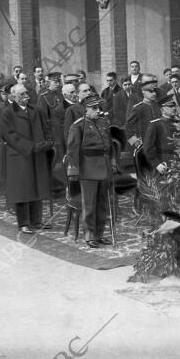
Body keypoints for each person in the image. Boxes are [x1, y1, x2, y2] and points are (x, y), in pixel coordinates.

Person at [0, 85, 53, 234]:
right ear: (14, 96)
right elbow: (9, 136)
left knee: (37, 186)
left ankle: (36, 221)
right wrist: (30, 147)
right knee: (22, 189)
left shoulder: (37, 110)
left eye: (27, 94)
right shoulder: (7, 112)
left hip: (38, 153)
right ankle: (23, 223)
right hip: (20, 155)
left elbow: (46, 128)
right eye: (22, 95)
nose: (26, 97)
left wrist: (48, 141)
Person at [66, 93, 116, 248]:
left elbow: (110, 145)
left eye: (98, 107)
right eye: (93, 108)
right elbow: (72, 150)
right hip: (87, 169)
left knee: (102, 204)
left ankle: (100, 234)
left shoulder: (103, 123)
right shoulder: (78, 126)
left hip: (103, 167)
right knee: (89, 204)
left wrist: (112, 162)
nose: (97, 110)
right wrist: (74, 171)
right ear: (85, 110)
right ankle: (89, 235)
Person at [143, 90, 178, 173]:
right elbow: (148, 148)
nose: (173, 108)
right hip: (164, 163)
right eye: (170, 106)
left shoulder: (179, 123)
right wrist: (157, 164)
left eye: (174, 106)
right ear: (163, 109)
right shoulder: (155, 125)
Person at [125, 78, 159, 145]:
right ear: (143, 92)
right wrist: (135, 142)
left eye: (155, 91)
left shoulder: (157, 107)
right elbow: (128, 126)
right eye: (151, 92)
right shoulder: (138, 108)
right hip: (144, 144)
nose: (154, 94)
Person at [63, 82, 93, 146]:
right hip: (81, 147)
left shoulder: (97, 107)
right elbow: (68, 134)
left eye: (89, 90)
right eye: (85, 91)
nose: (89, 92)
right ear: (77, 93)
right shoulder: (72, 110)